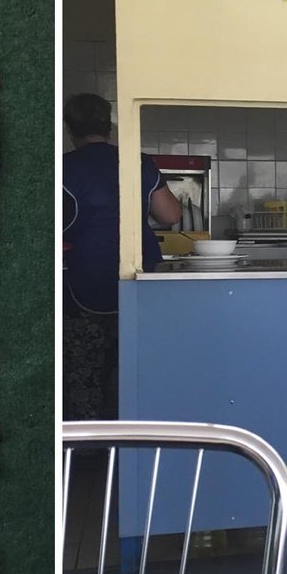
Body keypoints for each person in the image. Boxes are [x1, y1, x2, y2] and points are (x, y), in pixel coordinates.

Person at [61, 93, 181, 420]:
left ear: (70, 129)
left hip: (83, 285)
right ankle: (133, 441)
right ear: (109, 125)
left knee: (85, 377)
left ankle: (89, 444)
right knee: (136, 372)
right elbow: (171, 215)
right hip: (137, 281)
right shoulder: (137, 161)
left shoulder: (64, 168)